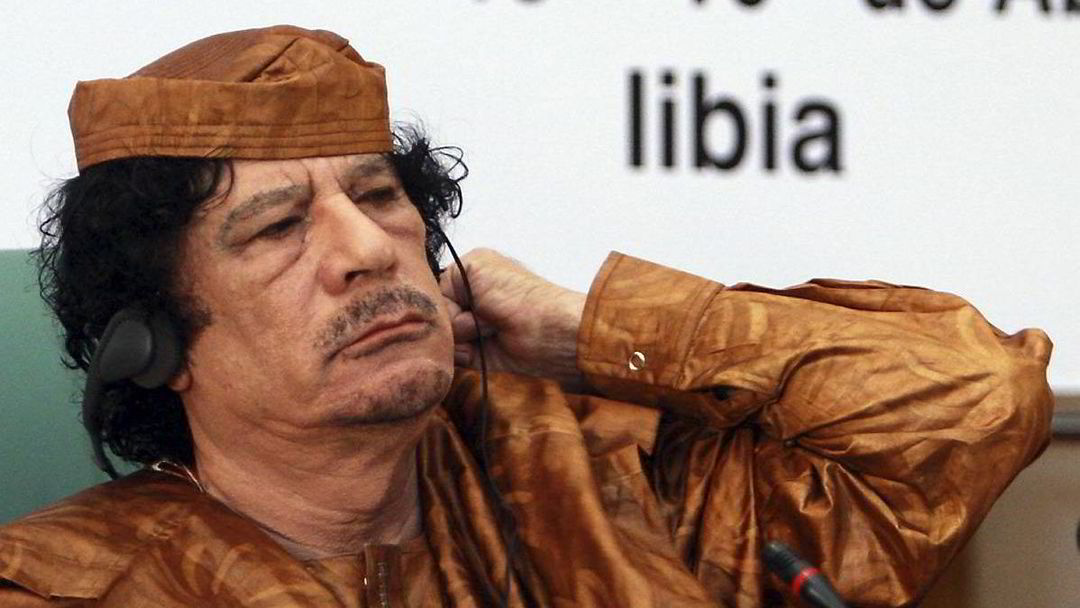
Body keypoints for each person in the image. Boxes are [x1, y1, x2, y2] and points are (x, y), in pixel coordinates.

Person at [0, 25, 1053, 608]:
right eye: (278, 227)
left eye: (380, 197)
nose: (369, 248)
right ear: (157, 339)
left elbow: (975, 399)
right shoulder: (66, 585)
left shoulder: (610, 479)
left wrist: (595, 328)